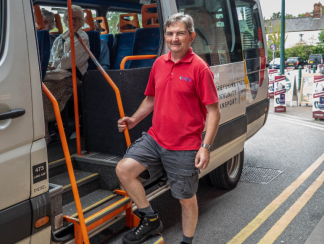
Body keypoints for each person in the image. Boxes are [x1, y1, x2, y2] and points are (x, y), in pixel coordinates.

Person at [115, 13, 220, 244]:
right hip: (156, 138)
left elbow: (213, 111)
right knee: (124, 170)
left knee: (185, 198)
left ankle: (186, 241)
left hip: (185, 145)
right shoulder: (159, 63)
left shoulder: (200, 69)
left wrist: (205, 146)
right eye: (170, 33)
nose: (175, 38)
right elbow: (151, 99)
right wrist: (134, 120)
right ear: (165, 36)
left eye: (181, 33)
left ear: (191, 36)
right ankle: (150, 219)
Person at [42, 5, 90, 144]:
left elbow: (69, 61)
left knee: (45, 90)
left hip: (74, 76)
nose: (73, 21)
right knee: (37, 87)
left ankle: (46, 134)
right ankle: (46, 130)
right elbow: (52, 59)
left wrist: (54, 64)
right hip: (58, 74)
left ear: (81, 21)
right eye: (69, 18)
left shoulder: (82, 37)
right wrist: (53, 64)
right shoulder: (60, 38)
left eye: (76, 18)